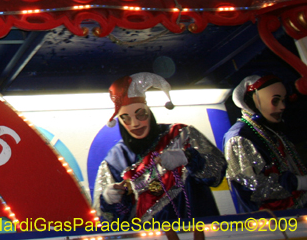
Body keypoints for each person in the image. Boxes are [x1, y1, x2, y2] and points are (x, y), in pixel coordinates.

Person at [93, 73, 226, 239]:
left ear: (148, 111)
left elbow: (217, 172)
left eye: (140, 114)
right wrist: (110, 201)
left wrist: (188, 158)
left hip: (201, 232)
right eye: (125, 118)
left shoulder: (182, 134)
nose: (135, 123)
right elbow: (110, 226)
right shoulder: (115, 160)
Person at [223, 75, 307, 212]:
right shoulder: (240, 137)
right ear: (252, 102)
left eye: (283, 100)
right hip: (271, 224)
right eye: (275, 101)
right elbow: (252, 187)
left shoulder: (272, 132)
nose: (283, 107)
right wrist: (298, 182)